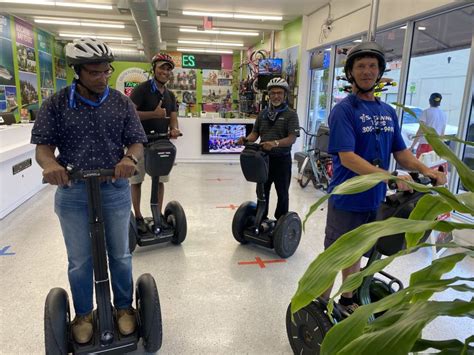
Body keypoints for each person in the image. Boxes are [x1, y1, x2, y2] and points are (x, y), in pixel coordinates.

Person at [31, 38, 147, 344]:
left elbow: (136, 140)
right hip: (73, 191)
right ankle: (83, 313)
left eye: (105, 71)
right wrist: (50, 166)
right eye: (94, 72)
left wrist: (129, 158)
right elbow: (43, 148)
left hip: (113, 187)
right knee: (80, 259)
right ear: (78, 71)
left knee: (120, 254)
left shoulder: (121, 103)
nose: (102, 77)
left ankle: (123, 308)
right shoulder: (56, 104)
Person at [324, 42, 446, 314]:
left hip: (376, 199)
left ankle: (347, 300)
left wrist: (424, 170)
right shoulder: (344, 111)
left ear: (379, 72)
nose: (367, 72)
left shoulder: (387, 112)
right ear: (351, 73)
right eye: (360, 66)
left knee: (357, 252)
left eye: (372, 66)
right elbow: (347, 157)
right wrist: (389, 176)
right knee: (334, 256)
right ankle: (318, 304)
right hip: (347, 198)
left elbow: (401, 152)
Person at [129, 53, 181, 233]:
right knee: (136, 180)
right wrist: (153, 114)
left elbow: (173, 117)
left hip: (160, 144)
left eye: (168, 69)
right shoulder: (141, 90)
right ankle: (137, 217)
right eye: (162, 68)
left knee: (159, 180)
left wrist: (174, 129)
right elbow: (130, 114)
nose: (165, 72)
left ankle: (157, 215)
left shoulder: (170, 95)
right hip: (139, 143)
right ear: (154, 69)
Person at [237, 77, 300, 223]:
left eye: (279, 93)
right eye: (273, 93)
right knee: (262, 191)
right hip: (263, 159)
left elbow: (292, 138)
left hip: (282, 160)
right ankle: (261, 218)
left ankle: (281, 223)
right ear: (268, 95)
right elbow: (255, 133)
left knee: (282, 193)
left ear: (285, 95)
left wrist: (275, 143)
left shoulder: (291, 114)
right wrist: (246, 139)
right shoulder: (263, 113)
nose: (276, 96)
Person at [410, 92, 447, 158]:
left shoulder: (426, 112)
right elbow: (442, 133)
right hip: (437, 146)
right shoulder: (443, 114)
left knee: (421, 166)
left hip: (425, 144)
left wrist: (412, 146)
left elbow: (421, 130)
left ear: (430, 101)